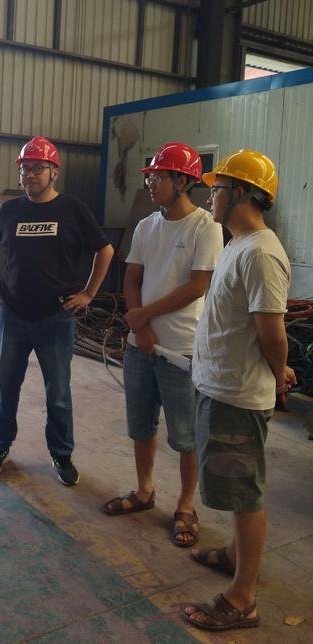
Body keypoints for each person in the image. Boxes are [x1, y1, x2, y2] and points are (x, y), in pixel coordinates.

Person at [183, 150, 296, 631]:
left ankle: (242, 597)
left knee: (245, 494)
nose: (210, 196)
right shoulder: (236, 245)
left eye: (218, 188)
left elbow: (272, 333)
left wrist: (280, 368)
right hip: (218, 386)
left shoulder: (261, 253)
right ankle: (234, 555)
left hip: (237, 396)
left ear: (244, 193)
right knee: (232, 487)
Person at [102, 142, 223, 549]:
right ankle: (144, 490)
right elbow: (132, 277)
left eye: (159, 177)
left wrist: (143, 316)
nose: (151, 183)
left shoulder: (205, 227)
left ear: (183, 181)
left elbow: (197, 285)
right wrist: (139, 328)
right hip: (141, 346)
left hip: (182, 350)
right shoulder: (145, 226)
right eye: (151, 177)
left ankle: (186, 506)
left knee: (186, 436)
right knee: (141, 425)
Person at [0, 136, 114, 485]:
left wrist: (89, 293)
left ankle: (62, 454)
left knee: (59, 392)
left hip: (55, 318)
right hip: (14, 315)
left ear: (54, 172)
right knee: (7, 386)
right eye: (25, 169)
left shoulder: (72, 210)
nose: (30, 175)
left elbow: (105, 250)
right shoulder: (10, 210)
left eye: (38, 168)